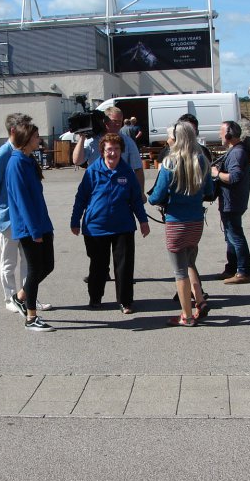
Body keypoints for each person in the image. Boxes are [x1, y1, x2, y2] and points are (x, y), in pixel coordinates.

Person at [71, 133, 150, 314]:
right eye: (109, 149)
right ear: (102, 151)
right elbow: (81, 198)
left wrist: (143, 221)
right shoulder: (92, 171)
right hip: (96, 227)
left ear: (121, 151)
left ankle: (125, 301)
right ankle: (95, 298)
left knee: (124, 266)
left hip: (123, 226)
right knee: (98, 266)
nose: (112, 153)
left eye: (116, 149)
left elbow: (136, 200)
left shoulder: (127, 172)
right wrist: (75, 220)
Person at [0, 113, 53, 315]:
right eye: (25, 126)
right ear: (14, 130)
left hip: (25, 216)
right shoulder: (3, 155)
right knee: (9, 260)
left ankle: (28, 296)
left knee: (30, 262)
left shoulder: (25, 154)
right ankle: (10, 297)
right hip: (7, 216)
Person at [148, 121, 215, 326]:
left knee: (179, 271)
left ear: (176, 139)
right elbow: (210, 192)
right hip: (196, 221)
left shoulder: (170, 163)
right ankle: (200, 301)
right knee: (190, 262)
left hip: (176, 221)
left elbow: (156, 196)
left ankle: (186, 315)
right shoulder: (202, 161)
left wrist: (154, 199)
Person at [5, 121, 55, 332]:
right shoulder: (15, 163)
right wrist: (34, 230)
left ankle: (20, 297)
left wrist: (44, 226)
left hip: (42, 223)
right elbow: (22, 201)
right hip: (29, 227)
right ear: (26, 139)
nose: (39, 139)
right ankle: (31, 317)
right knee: (34, 270)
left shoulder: (28, 160)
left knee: (48, 266)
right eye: (35, 136)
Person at [72, 105, 145, 199]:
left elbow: (138, 169)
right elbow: (77, 161)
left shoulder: (128, 142)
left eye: (119, 122)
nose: (117, 124)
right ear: (105, 121)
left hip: (120, 192)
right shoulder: (92, 141)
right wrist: (82, 137)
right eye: (114, 121)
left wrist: (140, 192)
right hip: (96, 191)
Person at [213, 120, 250, 284]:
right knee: (230, 236)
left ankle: (243, 271)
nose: (219, 135)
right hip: (231, 201)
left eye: (221, 132)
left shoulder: (237, 153)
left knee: (235, 236)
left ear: (229, 135)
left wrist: (216, 174)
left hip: (233, 202)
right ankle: (232, 268)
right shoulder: (236, 150)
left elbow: (234, 177)